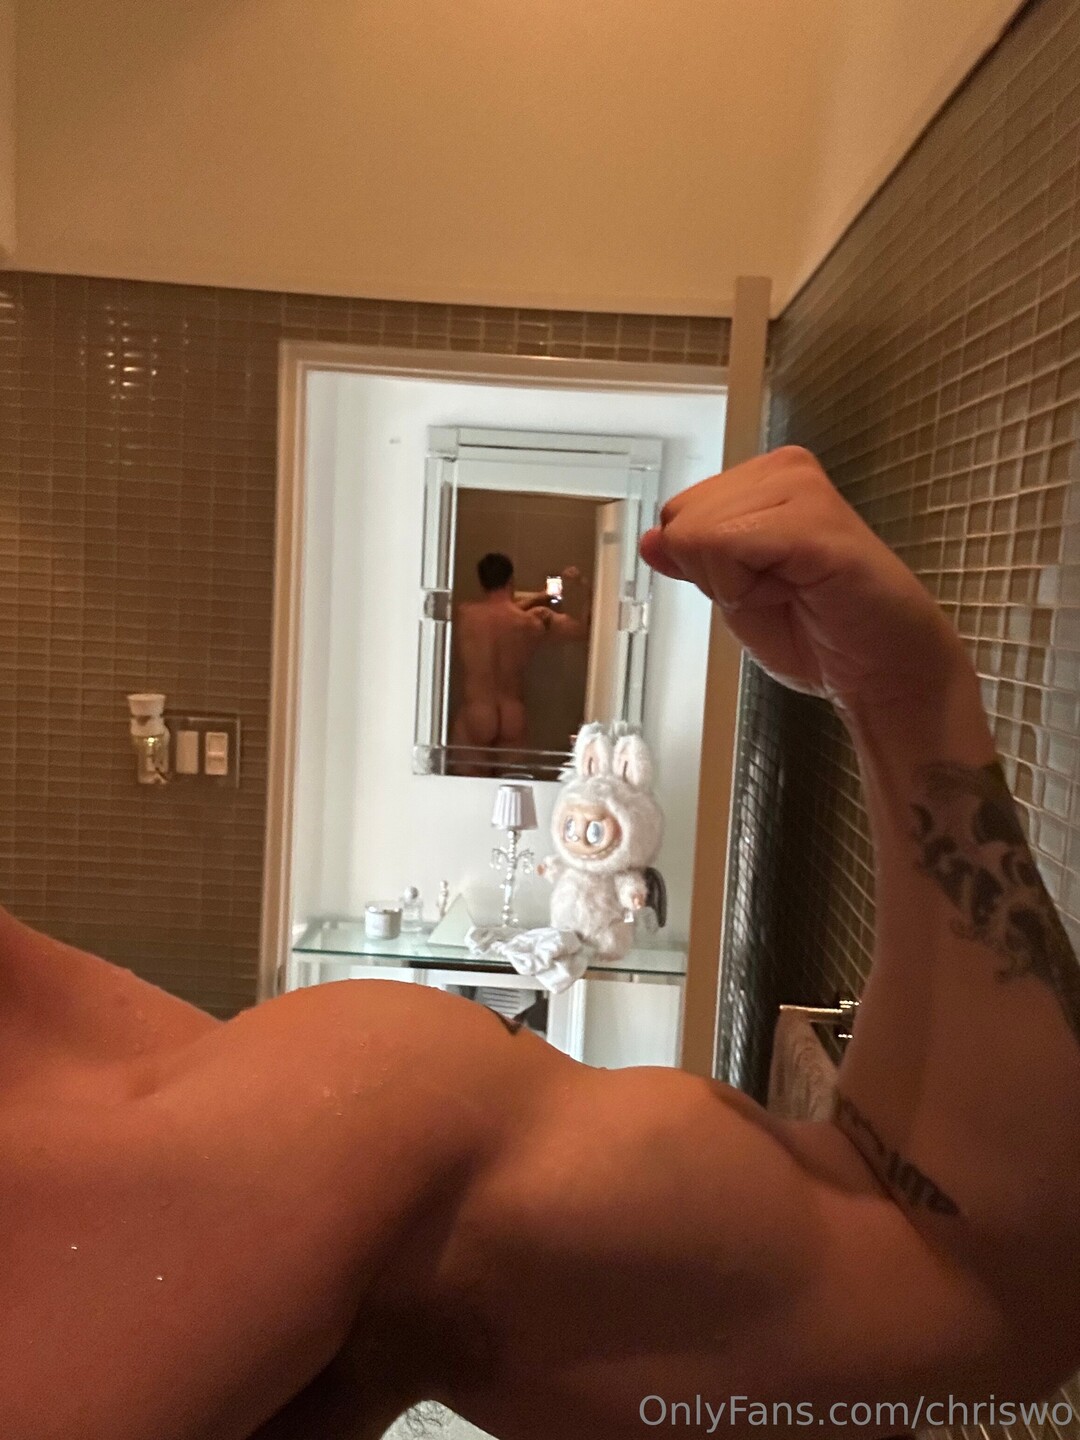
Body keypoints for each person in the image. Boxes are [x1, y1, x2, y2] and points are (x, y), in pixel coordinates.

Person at [2, 447, 1079, 1440]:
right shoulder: (311, 1120)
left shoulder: (324, 1124)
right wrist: (898, 695)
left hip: (480, 739)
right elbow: (971, 1294)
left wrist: (898, 690)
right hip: (509, 719)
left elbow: (964, 1290)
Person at [450, 553, 590, 764]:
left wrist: (536, 597)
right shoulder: (532, 621)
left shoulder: (466, 615)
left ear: (481, 581)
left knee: (466, 782)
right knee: (513, 780)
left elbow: (496, 614)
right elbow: (586, 631)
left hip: (477, 712)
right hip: (512, 714)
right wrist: (584, 586)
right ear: (511, 580)